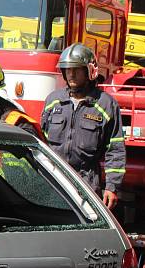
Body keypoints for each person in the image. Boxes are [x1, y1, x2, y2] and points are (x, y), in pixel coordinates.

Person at [41, 43, 125, 209]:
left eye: (76, 69)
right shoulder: (53, 101)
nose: (71, 74)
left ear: (90, 72)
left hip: (86, 182)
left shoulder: (105, 104)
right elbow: (41, 140)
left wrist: (112, 187)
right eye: (67, 69)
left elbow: (115, 149)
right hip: (53, 178)